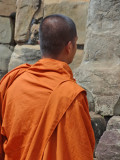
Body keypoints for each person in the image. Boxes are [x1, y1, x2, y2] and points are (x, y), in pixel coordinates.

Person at [0, 14, 95, 160]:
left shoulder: (12, 82)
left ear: (40, 43)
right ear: (69, 47)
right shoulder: (71, 97)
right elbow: (78, 152)